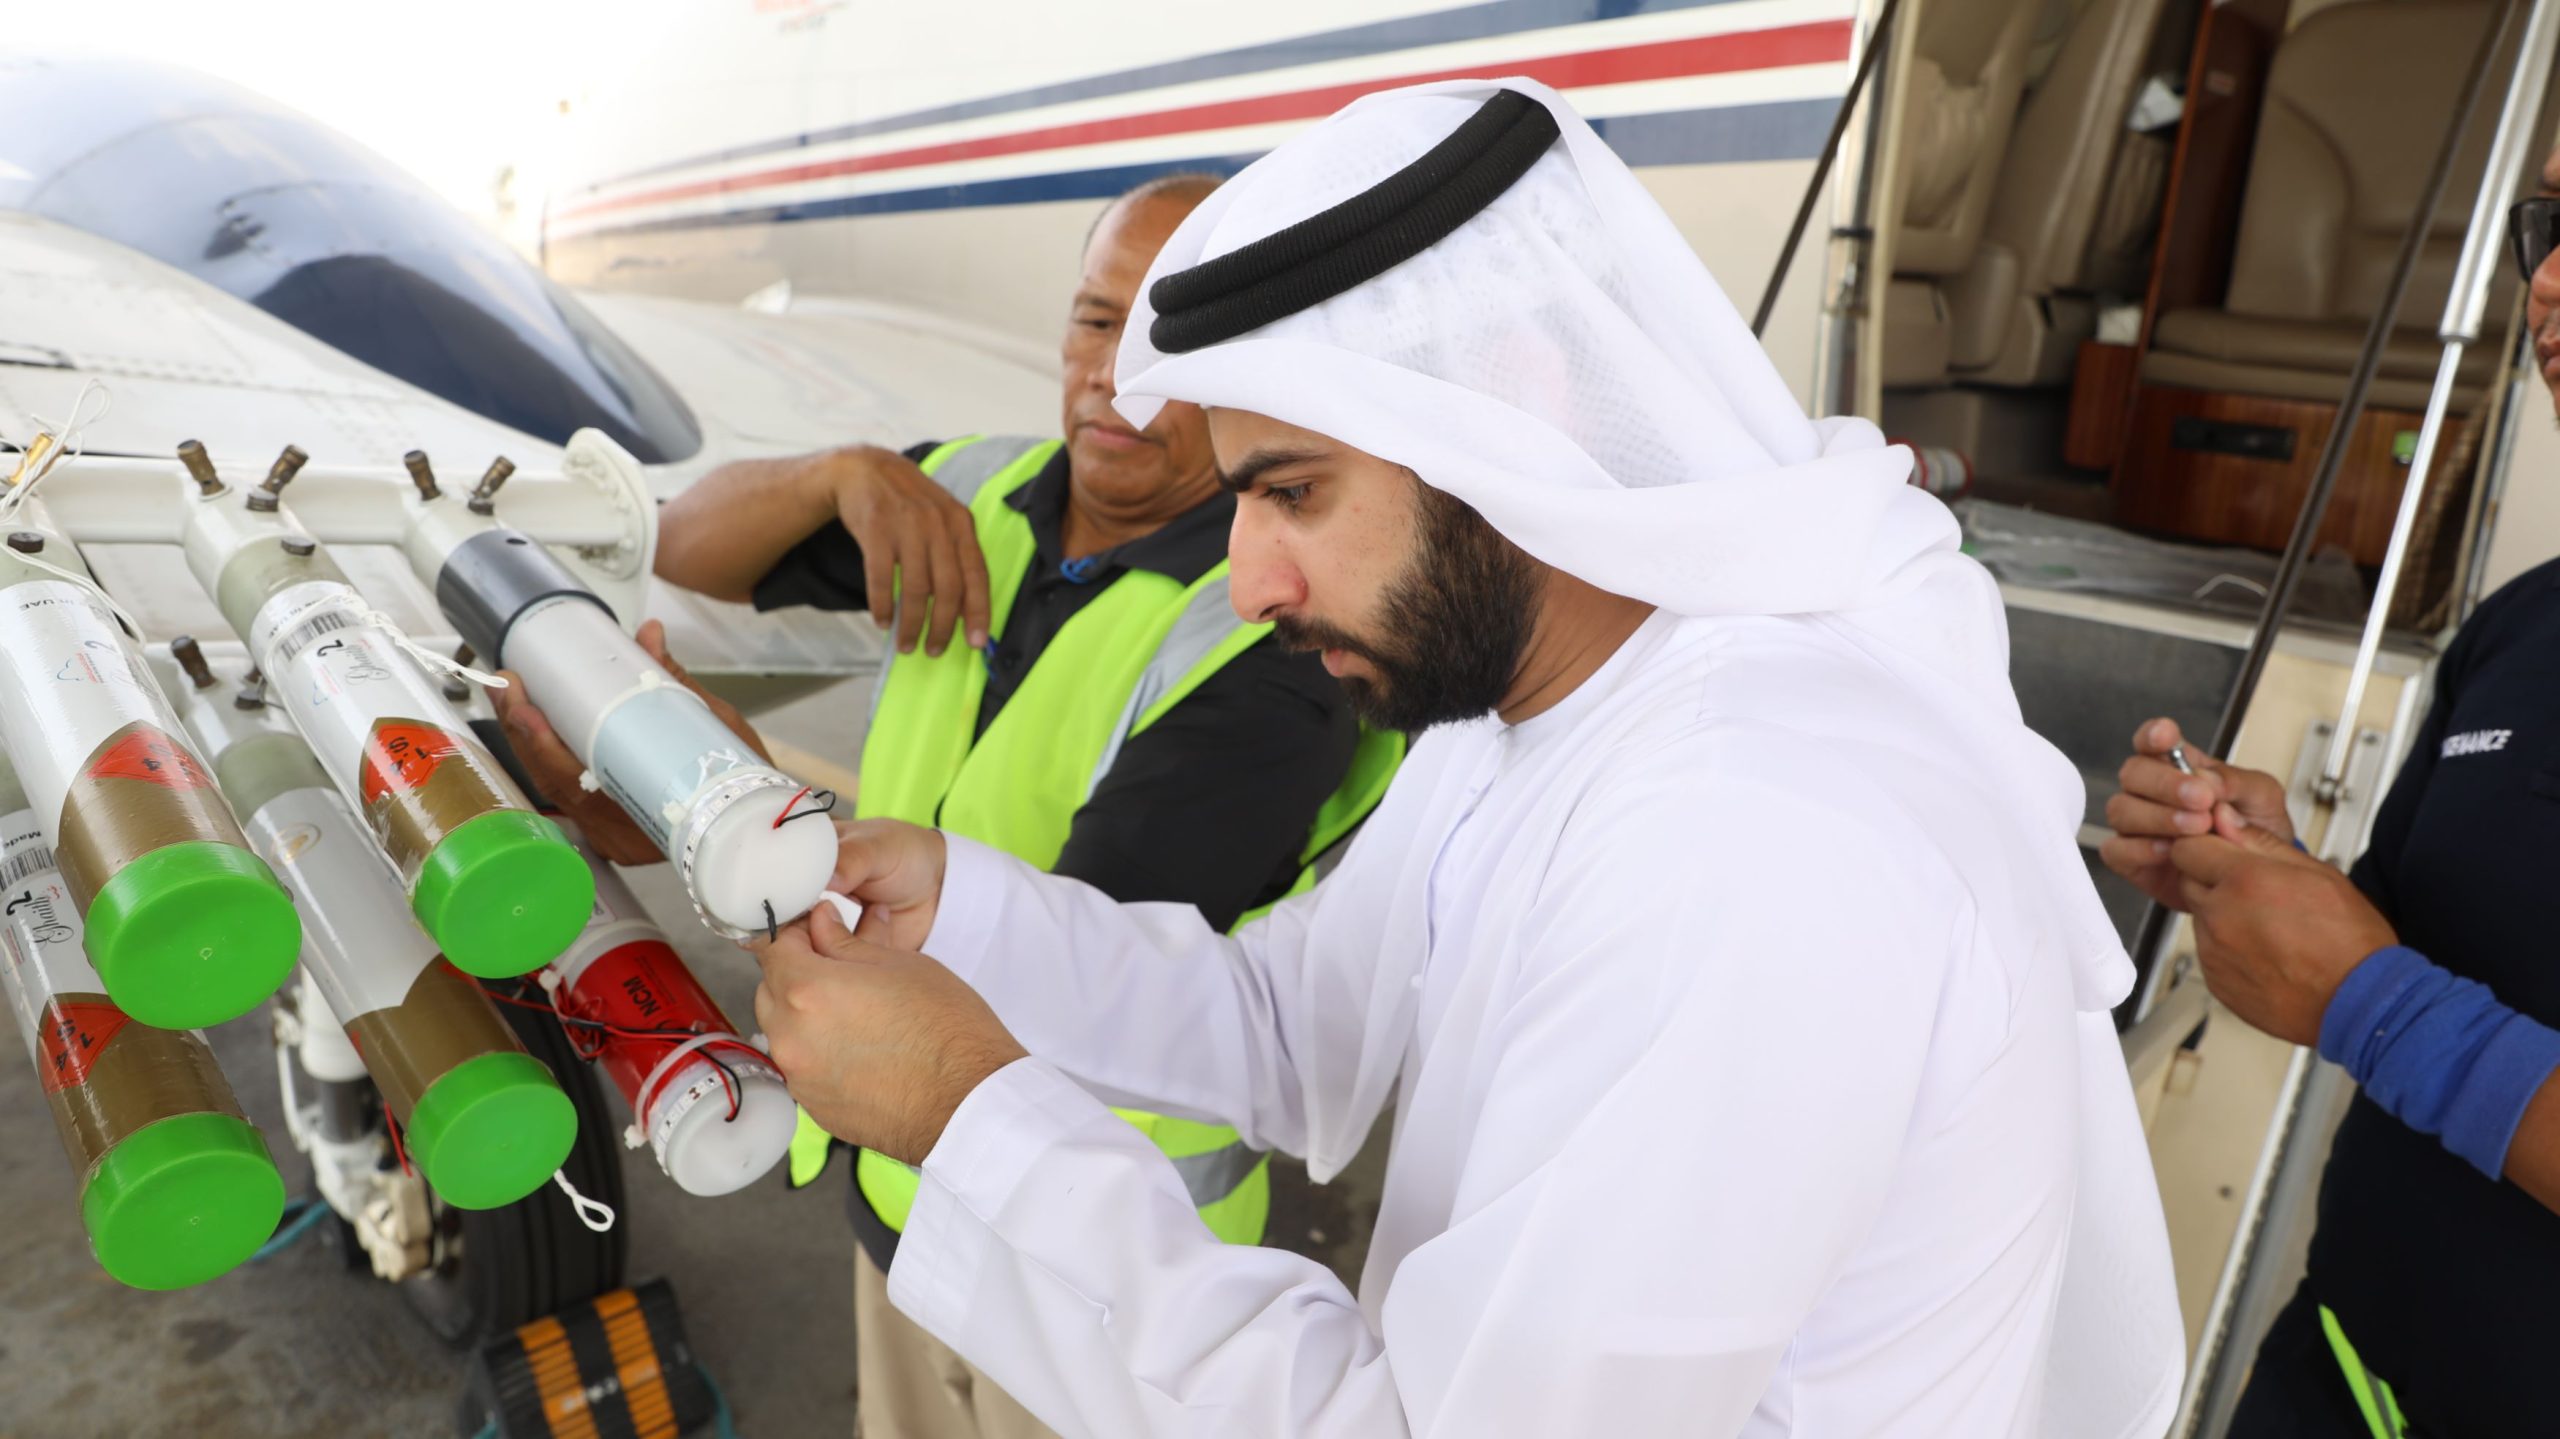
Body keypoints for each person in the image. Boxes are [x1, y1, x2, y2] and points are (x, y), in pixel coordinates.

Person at [748, 79, 2185, 1438]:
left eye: (1292, 494)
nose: (1246, 583)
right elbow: (1291, 1018)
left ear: (1503, 408)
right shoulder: (1537, 698)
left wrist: (970, 1115)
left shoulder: (1752, 828)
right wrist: (966, 913)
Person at [495, 172, 1401, 1439]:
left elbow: (1066, 967)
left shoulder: (1264, 640)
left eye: (1172, 345)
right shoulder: (978, 489)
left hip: (1121, 1295)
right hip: (911, 1191)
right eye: (1096, 321)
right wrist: (841, 474)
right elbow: (685, 542)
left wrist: (715, 798)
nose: (1114, 379)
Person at [2100, 144, 2560, 1439]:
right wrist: (2270, 863)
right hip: (2338, 1376)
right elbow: (2415, 938)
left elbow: (2389, 993)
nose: (2553, 277)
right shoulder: (2522, 624)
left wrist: (2373, 998)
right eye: (2545, 224)